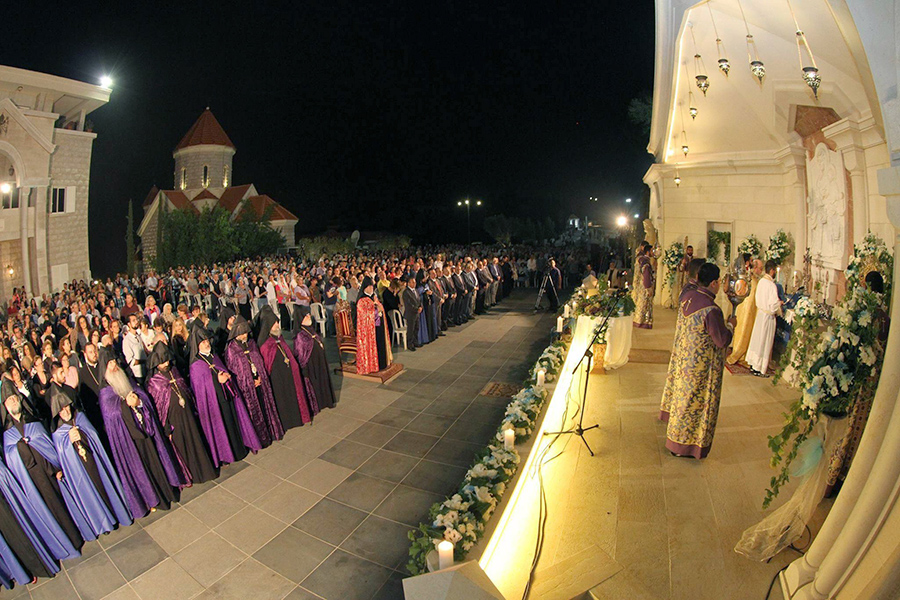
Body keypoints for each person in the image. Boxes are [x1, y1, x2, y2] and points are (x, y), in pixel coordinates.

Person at [660, 263, 734, 458]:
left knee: (682, 401)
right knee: (696, 406)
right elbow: (721, 340)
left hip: (685, 360)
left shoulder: (687, 296)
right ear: (714, 283)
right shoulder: (711, 309)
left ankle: (674, 440)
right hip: (701, 367)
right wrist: (731, 326)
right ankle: (686, 447)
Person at [1, 381, 84, 550]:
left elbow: (46, 445)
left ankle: (76, 538)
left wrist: (56, 468)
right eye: (8, 400)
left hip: (48, 471)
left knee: (62, 504)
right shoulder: (7, 433)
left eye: (14, 398)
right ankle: (61, 545)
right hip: (32, 478)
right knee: (47, 511)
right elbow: (10, 458)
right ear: (4, 405)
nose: (12, 401)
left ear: (19, 399)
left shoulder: (33, 421)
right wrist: (20, 446)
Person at [48, 383, 133, 540]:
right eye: (61, 410)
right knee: (91, 494)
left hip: (94, 460)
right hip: (80, 470)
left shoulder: (80, 417)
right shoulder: (58, 433)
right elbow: (62, 455)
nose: (65, 411)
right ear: (57, 413)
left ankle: (117, 513)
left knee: (105, 485)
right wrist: (69, 442)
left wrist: (82, 434)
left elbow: (93, 434)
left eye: (66, 406)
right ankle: (104, 523)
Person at [99, 359, 183, 517]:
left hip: (146, 431)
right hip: (130, 441)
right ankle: (152, 499)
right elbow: (111, 415)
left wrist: (138, 401)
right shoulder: (105, 394)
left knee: (156, 460)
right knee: (142, 469)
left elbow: (143, 395)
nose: (114, 366)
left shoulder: (127, 380)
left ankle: (168, 492)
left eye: (114, 362)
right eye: (109, 364)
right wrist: (126, 405)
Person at [145, 342, 216, 486]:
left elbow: (185, 388)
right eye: (162, 361)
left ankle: (204, 471)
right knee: (184, 447)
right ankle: (191, 476)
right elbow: (159, 407)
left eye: (167, 360)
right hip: (174, 421)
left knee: (195, 441)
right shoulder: (154, 382)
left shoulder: (174, 371)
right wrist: (166, 427)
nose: (166, 363)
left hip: (187, 415)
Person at [189, 326, 260, 467]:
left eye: (207, 341)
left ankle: (240, 448)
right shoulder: (196, 365)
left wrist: (226, 375)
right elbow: (200, 388)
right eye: (202, 342)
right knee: (223, 427)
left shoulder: (214, 356)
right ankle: (227, 454)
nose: (206, 343)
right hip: (214, 403)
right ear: (196, 345)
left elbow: (222, 369)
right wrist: (217, 380)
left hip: (228, 397)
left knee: (233, 423)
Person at [224, 312, 283, 446]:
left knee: (265, 407)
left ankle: (272, 431)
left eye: (246, 332)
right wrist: (251, 382)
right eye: (241, 333)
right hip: (248, 389)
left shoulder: (251, 343)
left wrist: (260, 377)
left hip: (260, 382)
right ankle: (260, 439)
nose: (244, 336)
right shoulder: (231, 350)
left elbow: (258, 361)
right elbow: (237, 372)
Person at [258, 310, 315, 429]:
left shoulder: (280, 338)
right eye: (275, 323)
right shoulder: (265, 344)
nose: (278, 325)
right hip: (278, 378)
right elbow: (268, 362)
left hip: (290, 375)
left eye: (278, 323)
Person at [292, 305, 337, 410]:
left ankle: (327, 401)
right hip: (311, 365)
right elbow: (301, 354)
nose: (309, 317)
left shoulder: (310, 329)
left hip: (319, 362)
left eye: (308, 314)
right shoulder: (300, 335)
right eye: (306, 316)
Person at [745, 260, 783, 377]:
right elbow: (772, 305)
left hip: (760, 314)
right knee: (764, 341)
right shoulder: (771, 285)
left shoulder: (761, 281)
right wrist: (780, 303)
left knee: (757, 340)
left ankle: (753, 364)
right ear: (772, 271)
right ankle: (760, 368)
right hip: (768, 317)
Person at [726, 259, 764, 365]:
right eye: (760, 269)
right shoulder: (753, 281)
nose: (761, 271)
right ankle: (739, 352)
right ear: (755, 268)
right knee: (744, 331)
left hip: (744, 310)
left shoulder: (750, 278)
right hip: (747, 311)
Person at [357, 277, 392, 373]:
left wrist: (378, 306)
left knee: (380, 343)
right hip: (369, 329)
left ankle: (382, 363)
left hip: (378, 324)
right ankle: (373, 364)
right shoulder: (362, 300)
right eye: (370, 286)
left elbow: (380, 306)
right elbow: (364, 314)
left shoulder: (374, 297)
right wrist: (376, 310)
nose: (372, 288)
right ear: (366, 287)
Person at [633, 243, 655, 329]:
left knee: (640, 303)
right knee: (645, 304)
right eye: (652, 251)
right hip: (645, 286)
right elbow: (646, 273)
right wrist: (648, 287)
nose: (653, 252)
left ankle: (638, 321)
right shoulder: (645, 261)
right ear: (648, 251)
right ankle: (643, 322)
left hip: (640, 285)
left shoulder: (640, 259)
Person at [402, 275, 422, 352]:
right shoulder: (406, 292)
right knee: (411, 329)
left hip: (417, 313)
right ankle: (410, 344)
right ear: (408, 283)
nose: (414, 284)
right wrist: (416, 309)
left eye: (415, 282)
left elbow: (419, 300)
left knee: (416, 328)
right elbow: (408, 304)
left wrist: (420, 306)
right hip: (410, 313)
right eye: (413, 282)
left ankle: (415, 342)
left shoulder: (416, 290)